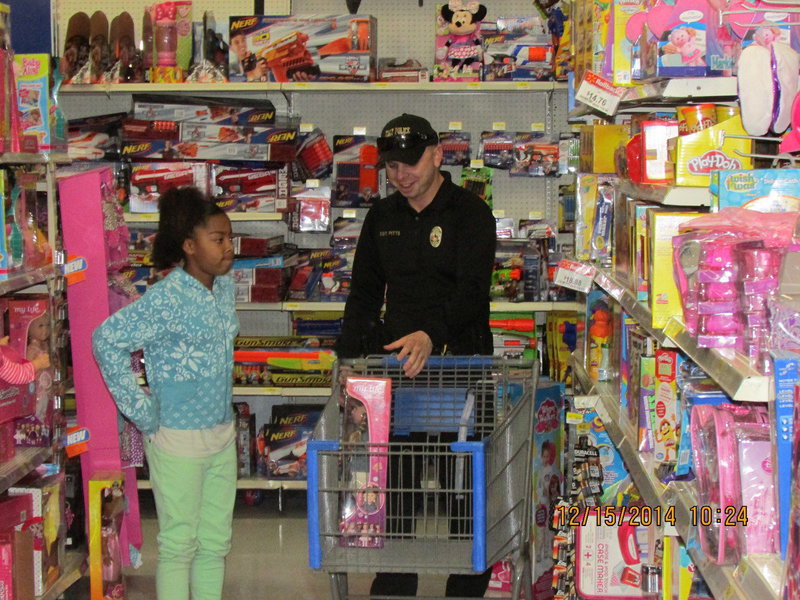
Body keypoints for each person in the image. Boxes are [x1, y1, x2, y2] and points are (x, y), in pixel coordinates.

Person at [335, 113, 496, 597]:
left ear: (437, 156)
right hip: (398, 376)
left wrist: (432, 334)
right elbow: (364, 294)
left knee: (462, 495)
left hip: (460, 371)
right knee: (396, 489)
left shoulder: (470, 214)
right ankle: (393, 584)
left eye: (409, 163)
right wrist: (347, 357)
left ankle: (465, 585)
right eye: (391, 166)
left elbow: (473, 293)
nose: (400, 174)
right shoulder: (382, 218)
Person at [92, 187, 239, 600]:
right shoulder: (166, 298)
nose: (229, 247)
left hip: (222, 437)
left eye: (231, 238)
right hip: (176, 440)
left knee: (215, 543)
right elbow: (106, 340)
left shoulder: (223, 288)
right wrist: (141, 410)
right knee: (178, 545)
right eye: (219, 239)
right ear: (190, 246)